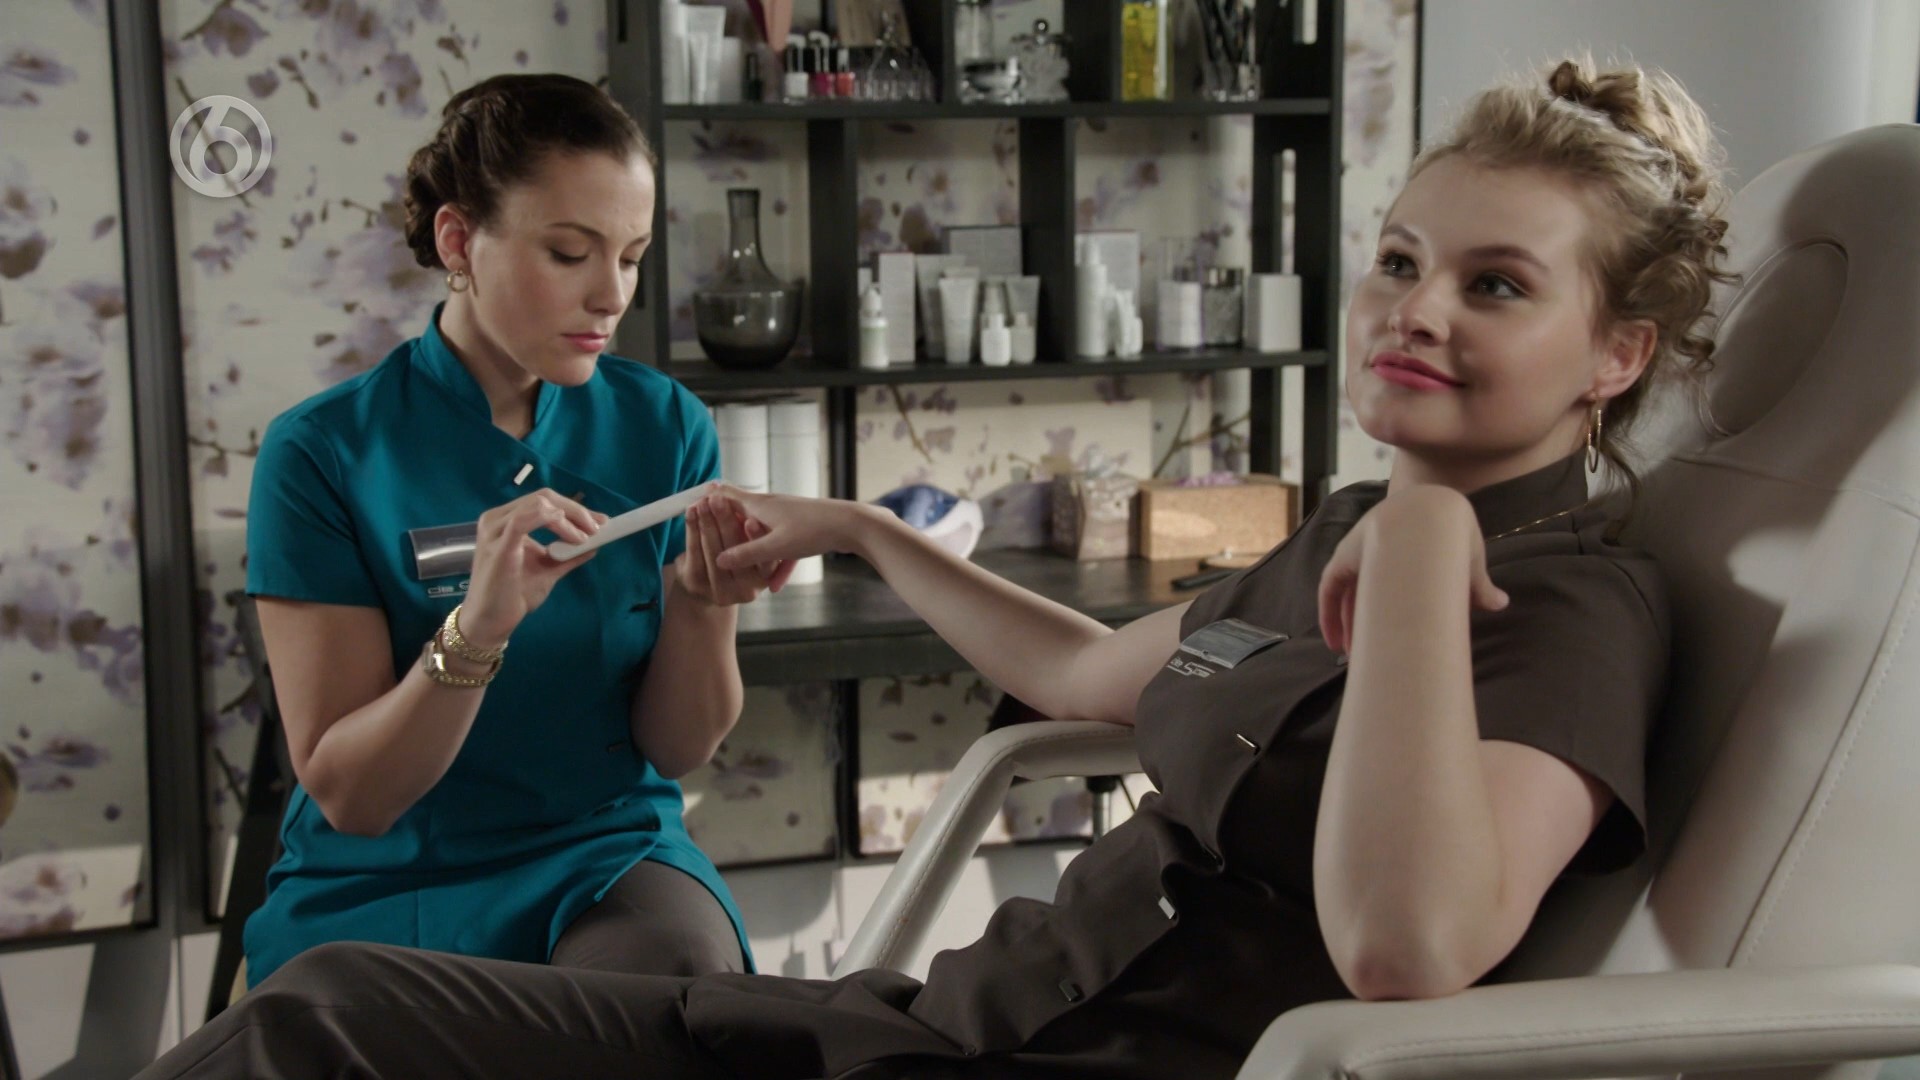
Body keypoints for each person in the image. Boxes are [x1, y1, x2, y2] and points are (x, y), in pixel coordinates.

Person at [141, 56, 1734, 1078]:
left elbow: (1409, 948)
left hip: (1015, 1054)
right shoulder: (1336, 529)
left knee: (339, 1032)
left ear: (1619, 354)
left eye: (1497, 285)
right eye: (1399, 259)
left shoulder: (1570, 607)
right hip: (935, 1019)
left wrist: (1432, 540)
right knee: (331, 1008)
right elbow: (1080, 672)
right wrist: (861, 528)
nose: (1416, 310)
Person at [231, 73, 780, 988]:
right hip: (387, 876)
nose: (611, 295)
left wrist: (698, 604)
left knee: (673, 981)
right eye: (570, 253)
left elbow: (680, 749)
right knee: (351, 1025)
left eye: (632, 256)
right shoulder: (322, 454)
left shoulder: (665, 426)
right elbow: (355, 797)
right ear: (459, 242)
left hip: (603, 855)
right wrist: (476, 629)